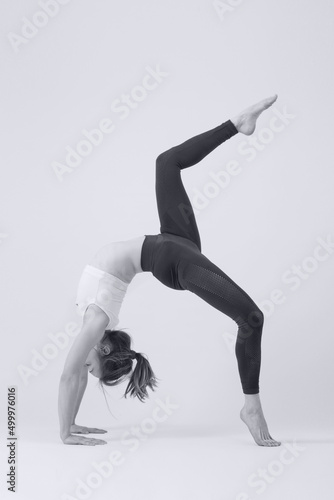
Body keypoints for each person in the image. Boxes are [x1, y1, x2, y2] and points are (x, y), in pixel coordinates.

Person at [58, 95, 281, 447]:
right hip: (170, 259)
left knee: (166, 162)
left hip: (174, 241)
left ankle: (236, 125)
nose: (83, 367)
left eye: (90, 371)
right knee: (251, 317)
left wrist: (69, 426)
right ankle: (251, 406)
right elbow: (70, 376)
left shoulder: (93, 322)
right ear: (101, 350)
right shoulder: (97, 322)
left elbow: (74, 376)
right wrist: (66, 432)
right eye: (93, 366)